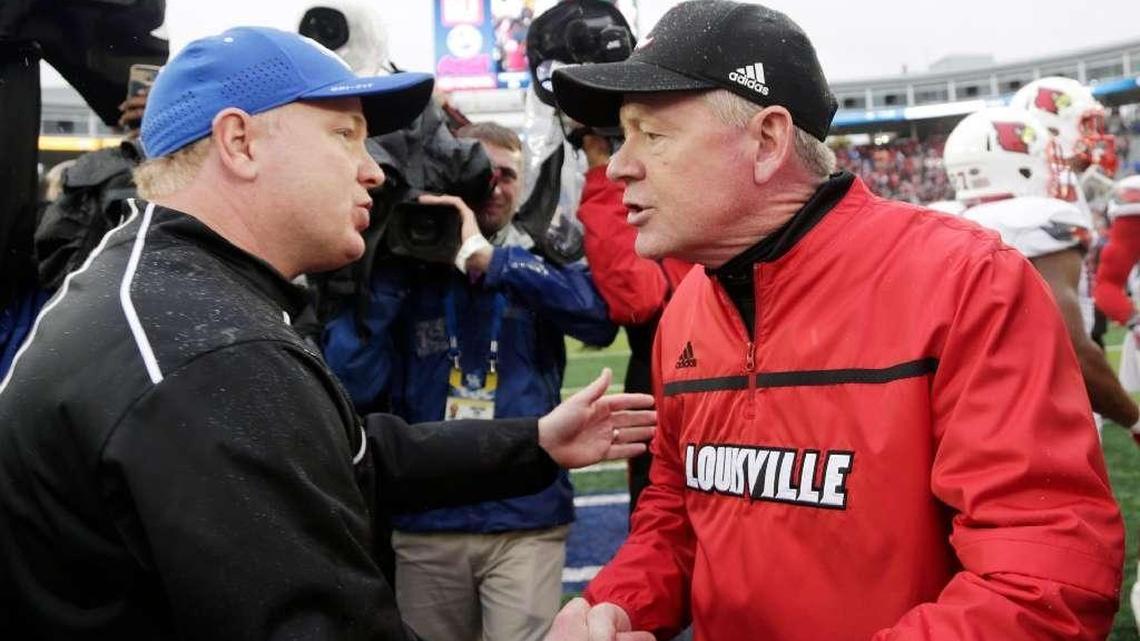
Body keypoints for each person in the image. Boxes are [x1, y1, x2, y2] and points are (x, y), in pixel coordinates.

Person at [0, 26, 656, 640]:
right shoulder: (212, 350)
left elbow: (341, 456)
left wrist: (534, 441)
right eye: (345, 135)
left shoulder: (180, 291)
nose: (374, 170)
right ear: (240, 143)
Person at [546, 1, 1125, 639]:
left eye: (651, 135)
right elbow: (678, 517)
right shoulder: (687, 309)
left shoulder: (964, 282)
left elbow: (1042, 578)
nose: (620, 165)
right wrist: (614, 607)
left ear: (767, 141)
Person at [322, 120, 617, 641]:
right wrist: (390, 269)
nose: (494, 187)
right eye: (482, 174)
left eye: (506, 175)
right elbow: (351, 380)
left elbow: (599, 317)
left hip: (526, 517)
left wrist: (493, 262)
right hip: (428, 519)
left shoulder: (530, 259)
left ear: (522, 186)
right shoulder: (406, 265)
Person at [943, 107, 1140, 436]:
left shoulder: (949, 221)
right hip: (1043, 419)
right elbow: (1070, 349)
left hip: (980, 416)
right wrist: (1134, 420)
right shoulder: (1034, 220)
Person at [575, 132, 691, 514]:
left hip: (673, 388)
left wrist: (599, 174)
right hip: (678, 384)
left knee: (667, 506)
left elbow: (636, 298)